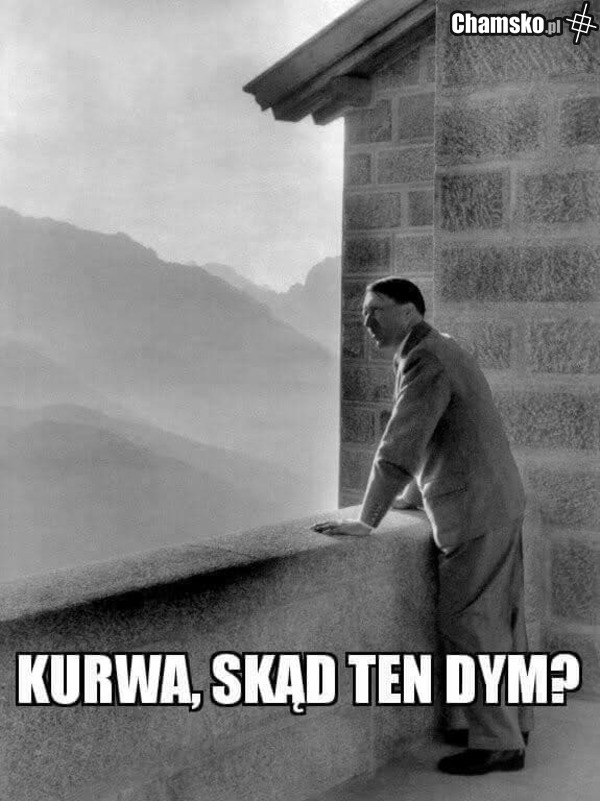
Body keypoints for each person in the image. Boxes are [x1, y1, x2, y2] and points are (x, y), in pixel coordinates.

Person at [312, 277, 532, 775]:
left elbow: (401, 447)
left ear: (409, 312)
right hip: (498, 500)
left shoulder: (425, 359)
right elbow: (447, 437)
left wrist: (366, 519)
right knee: (502, 622)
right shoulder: (440, 347)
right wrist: (414, 497)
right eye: (363, 312)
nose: (367, 321)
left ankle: (498, 743)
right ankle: (513, 725)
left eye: (377, 310)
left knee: (469, 624)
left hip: (474, 510)